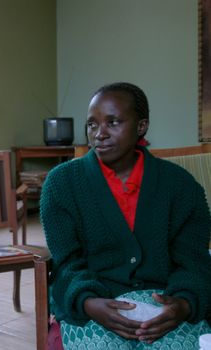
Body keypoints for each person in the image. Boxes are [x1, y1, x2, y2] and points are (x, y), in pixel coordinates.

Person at [40, 82, 211, 349]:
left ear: (141, 126)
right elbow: (66, 263)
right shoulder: (62, 184)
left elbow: (193, 261)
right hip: (93, 306)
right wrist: (89, 302)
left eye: (113, 122)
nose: (99, 134)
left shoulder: (181, 186)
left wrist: (183, 304)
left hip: (163, 305)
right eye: (92, 125)